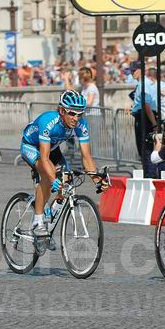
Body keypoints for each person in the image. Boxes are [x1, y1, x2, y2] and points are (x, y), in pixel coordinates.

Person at [20, 90, 109, 251]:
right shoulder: (49, 121)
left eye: (80, 114)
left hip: (52, 148)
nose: (76, 118)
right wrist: (53, 179)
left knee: (67, 184)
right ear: (62, 111)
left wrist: (97, 180)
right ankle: (38, 222)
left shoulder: (81, 125)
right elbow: (45, 157)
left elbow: (86, 156)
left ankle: (48, 225)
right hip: (31, 146)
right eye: (72, 113)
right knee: (48, 175)